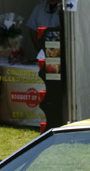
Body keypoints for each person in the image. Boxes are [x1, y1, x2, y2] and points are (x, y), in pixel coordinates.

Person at [28, 0, 65, 130]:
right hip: (45, 54)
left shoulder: (65, 7)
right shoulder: (39, 8)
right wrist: (39, 46)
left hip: (61, 56)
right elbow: (32, 27)